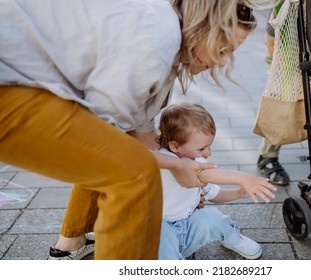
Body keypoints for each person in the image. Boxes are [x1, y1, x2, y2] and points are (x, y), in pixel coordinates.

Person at [0, 0, 269, 259]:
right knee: (135, 176)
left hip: (22, 83)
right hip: (9, 80)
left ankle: (73, 244)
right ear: (204, 27)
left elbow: (141, 137)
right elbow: (106, 141)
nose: (223, 62)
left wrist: (183, 179)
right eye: (223, 48)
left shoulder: (165, 49)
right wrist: (177, 167)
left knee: (128, 170)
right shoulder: (155, 44)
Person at [156, 103, 277, 260]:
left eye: (209, 146)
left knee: (213, 217)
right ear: (174, 146)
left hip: (186, 229)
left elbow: (214, 194)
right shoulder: (168, 160)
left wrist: (239, 192)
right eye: (202, 149)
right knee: (161, 236)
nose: (208, 153)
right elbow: (206, 174)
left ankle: (233, 238)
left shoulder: (191, 157)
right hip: (161, 238)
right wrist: (243, 178)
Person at [257, 6, 290, 186]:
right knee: (281, 102)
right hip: (282, 53)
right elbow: (271, 40)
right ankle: (267, 156)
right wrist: (283, 72)